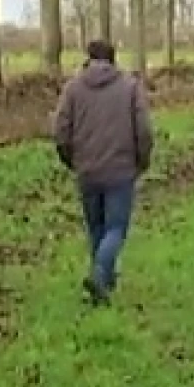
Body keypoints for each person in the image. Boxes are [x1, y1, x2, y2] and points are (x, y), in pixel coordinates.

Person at [52, 40, 154, 305]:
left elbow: (60, 131)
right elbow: (143, 130)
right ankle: (99, 275)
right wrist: (142, 161)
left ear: (88, 58)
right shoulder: (130, 87)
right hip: (120, 170)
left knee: (96, 227)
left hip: (87, 170)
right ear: (113, 59)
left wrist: (71, 160)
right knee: (116, 228)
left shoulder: (72, 89)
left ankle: (103, 284)